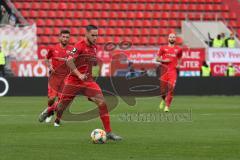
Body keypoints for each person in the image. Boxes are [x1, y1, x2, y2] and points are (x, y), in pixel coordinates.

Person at [39, 25, 122, 140]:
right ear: (86, 34)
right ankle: (49, 110)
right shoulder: (78, 46)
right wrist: (79, 74)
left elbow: (92, 63)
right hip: (74, 81)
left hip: (88, 82)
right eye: (93, 35)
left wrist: (94, 71)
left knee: (102, 102)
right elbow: (69, 61)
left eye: (97, 35)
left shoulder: (94, 47)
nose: (95, 38)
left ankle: (108, 132)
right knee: (61, 105)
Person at [43, 29, 74, 123]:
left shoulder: (72, 50)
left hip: (65, 79)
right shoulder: (53, 49)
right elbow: (46, 58)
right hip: (54, 78)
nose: (65, 39)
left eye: (67, 37)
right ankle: (49, 111)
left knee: (62, 102)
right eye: (63, 37)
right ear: (59, 37)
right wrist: (49, 66)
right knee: (52, 99)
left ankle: (57, 120)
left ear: (69, 39)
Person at [156, 33, 182, 112]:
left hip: (173, 71)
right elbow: (157, 59)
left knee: (171, 88)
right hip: (164, 72)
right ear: (168, 38)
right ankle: (163, 100)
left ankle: (167, 106)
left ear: (175, 39)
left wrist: (178, 64)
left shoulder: (179, 49)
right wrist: (164, 60)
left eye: (173, 37)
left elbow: (180, 57)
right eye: (170, 37)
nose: (172, 38)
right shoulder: (163, 48)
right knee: (163, 91)